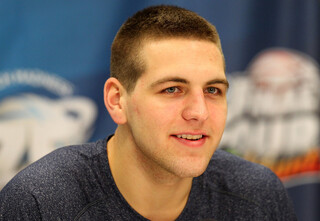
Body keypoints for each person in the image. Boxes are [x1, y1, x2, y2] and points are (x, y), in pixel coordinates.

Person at [0, 5, 297, 221]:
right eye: (172, 89)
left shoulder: (257, 196)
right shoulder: (42, 202)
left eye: (213, 90)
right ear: (117, 100)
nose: (199, 112)